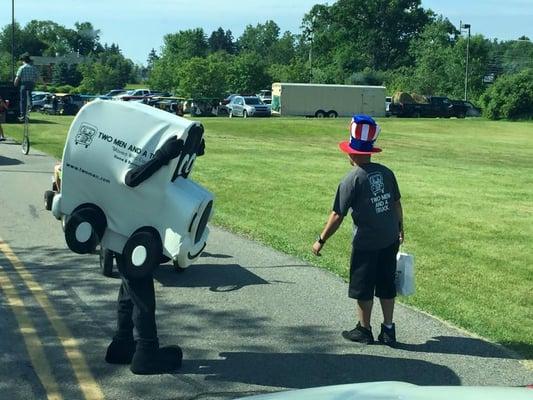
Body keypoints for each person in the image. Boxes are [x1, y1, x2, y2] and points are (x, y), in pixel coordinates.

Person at [312, 114, 404, 347]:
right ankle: (389, 329)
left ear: (351, 154)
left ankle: (364, 329)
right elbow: (396, 203)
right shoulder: (386, 172)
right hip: (390, 237)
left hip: (367, 242)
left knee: (364, 286)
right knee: (386, 283)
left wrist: (320, 240)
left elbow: (337, 215)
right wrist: (400, 229)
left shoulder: (351, 180)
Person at [14, 52, 40, 120]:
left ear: (24, 61)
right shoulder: (33, 68)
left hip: (24, 84)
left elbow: (17, 77)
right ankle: (30, 104)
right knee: (30, 93)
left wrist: (15, 84)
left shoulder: (22, 67)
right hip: (31, 84)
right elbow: (38, 77)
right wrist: (43, 84)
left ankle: (23, 115)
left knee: (23, 99)